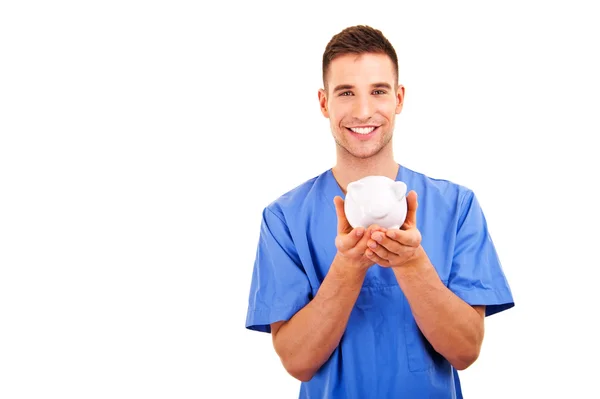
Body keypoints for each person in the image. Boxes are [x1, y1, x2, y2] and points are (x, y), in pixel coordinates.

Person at [244, 25, 514, 398]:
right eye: (346, 93)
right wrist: (348, 267)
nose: (364, 110)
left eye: (378, 91)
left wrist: (411, 263)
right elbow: (297, 361)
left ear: (399, 98)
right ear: (324, 103)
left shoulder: (457, 206)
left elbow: (465, 351)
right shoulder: (284, 219)